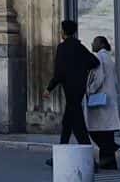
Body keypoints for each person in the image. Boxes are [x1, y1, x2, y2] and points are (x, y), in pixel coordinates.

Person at [44, 18, 99, 162]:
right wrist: (80, 70)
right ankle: (58, 156)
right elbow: (94, 62)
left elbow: (59, 72)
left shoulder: (62, 48)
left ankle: (90, 160)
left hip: (69, 89)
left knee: (78, 125)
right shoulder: (79, 47)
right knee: (67, 123)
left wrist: (49, 88)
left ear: (63, 32)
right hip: (79, 88)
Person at [83, 35, 120, 170]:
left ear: (101, 44)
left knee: (95, 130)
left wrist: (89, 90)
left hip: (100, 99)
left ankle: (110, 149)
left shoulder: (99, 57)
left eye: (94, 42)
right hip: (109, 97)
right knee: (107, 132)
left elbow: (98, 77)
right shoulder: (108, 58)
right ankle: (109, 161)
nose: (92, 44)